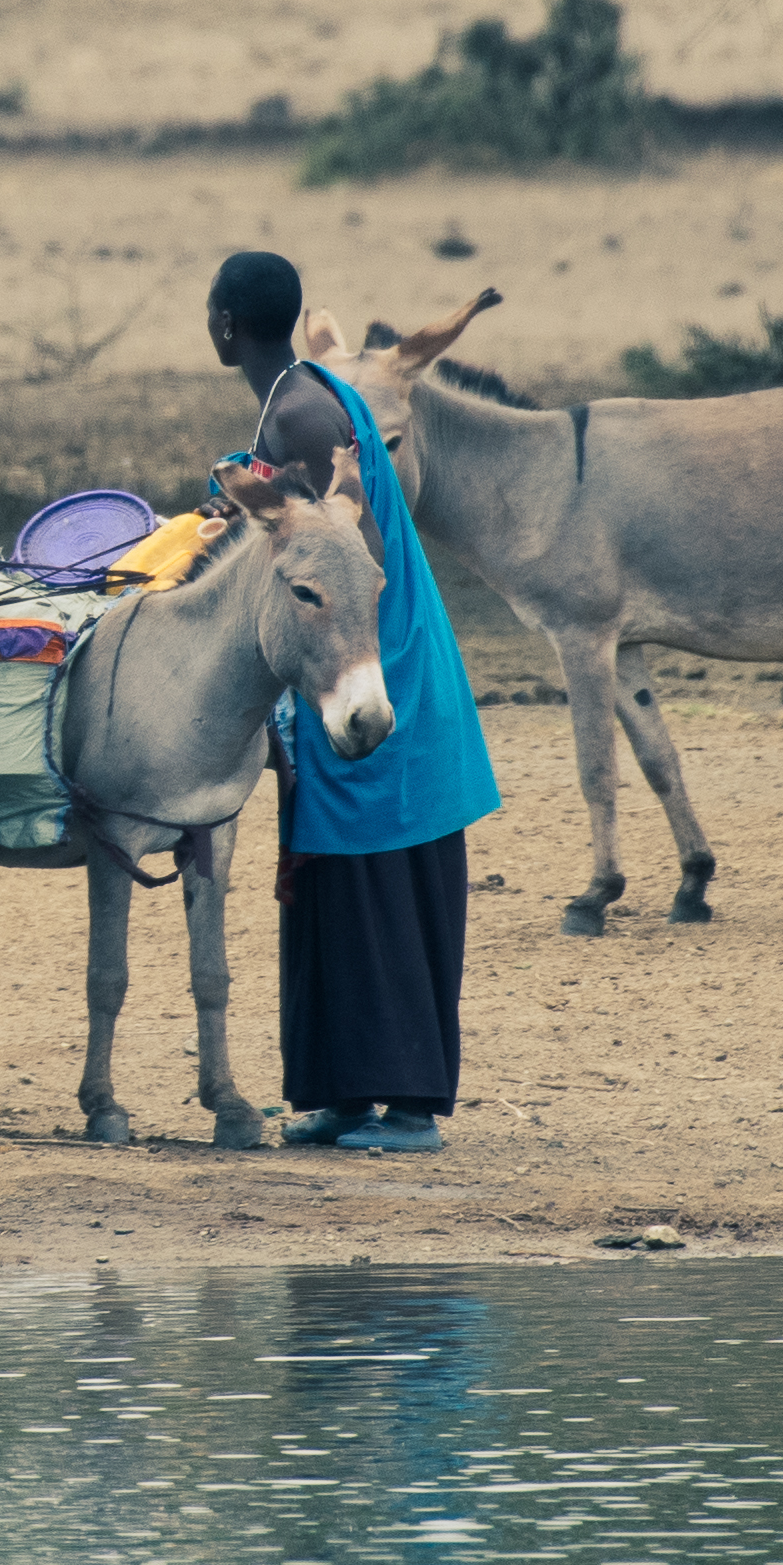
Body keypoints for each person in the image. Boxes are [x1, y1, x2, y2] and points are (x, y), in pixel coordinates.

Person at [211, 248, 498, 1151]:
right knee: (335, 880)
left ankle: (408, 1107)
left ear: (222, 325)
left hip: (368, 664)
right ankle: (342, 1096)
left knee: (382, 877)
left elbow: (333, 542)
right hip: (356, 654)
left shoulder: (297, 411)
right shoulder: (296, 396)